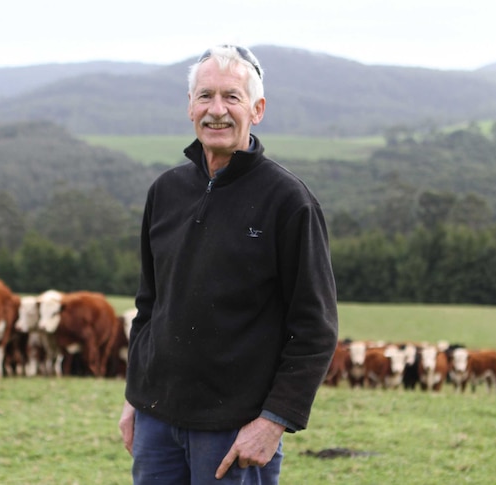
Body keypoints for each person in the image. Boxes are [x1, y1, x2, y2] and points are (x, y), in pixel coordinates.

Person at [118, 44, 339, 484]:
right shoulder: (165, 192)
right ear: (189, 107)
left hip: (234, 432)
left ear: (256, 109)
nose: (216, 110)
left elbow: (315, 328)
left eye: (231, 97)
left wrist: (274, 421)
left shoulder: (289, 203)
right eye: (205, 96)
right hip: (157, 424)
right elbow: (150, 305)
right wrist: (135, 395)